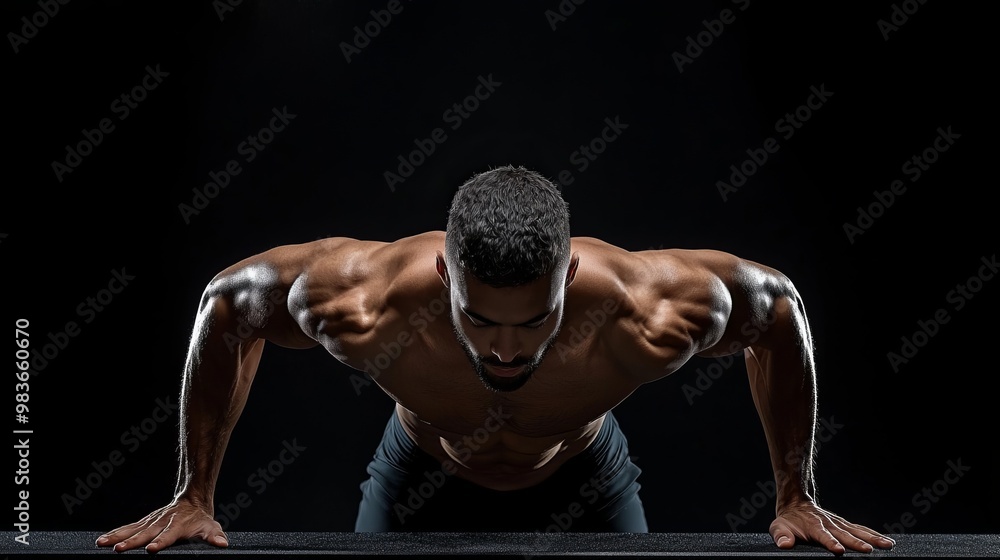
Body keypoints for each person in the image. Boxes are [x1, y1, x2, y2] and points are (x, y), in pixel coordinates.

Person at [97, 165, 895, 554]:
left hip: (586, 479)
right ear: (445, 278)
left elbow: (780, 309)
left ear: (569, 278)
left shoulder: (648, 310)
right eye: (479, 321)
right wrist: (192, 493)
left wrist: (798, 494)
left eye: (535, 320)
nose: (506, 349)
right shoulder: (366, 301)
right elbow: (228, 305)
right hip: (417, 475)